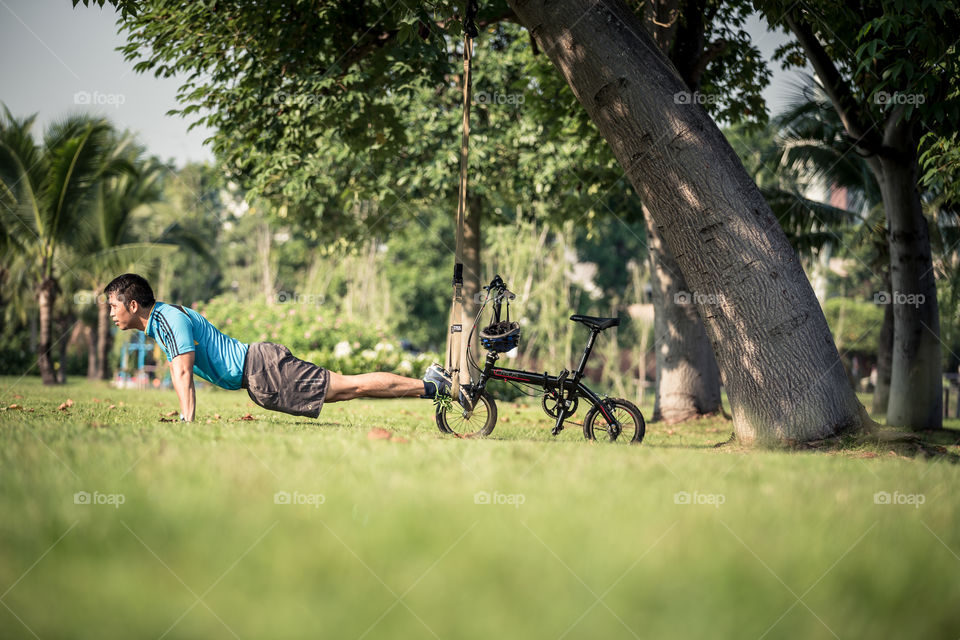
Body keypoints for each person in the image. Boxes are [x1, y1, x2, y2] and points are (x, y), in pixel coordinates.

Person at [105, 273, 455, 422]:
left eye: (113, 306)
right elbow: (175, 366)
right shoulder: (162, 321)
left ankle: (432, 387)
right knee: (349, 390)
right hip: (260, 375)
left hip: (262, 369)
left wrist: (187, 419)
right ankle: (430, 387)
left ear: (133, 304)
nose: (111, 314)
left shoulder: (167, 319)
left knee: (351, 386)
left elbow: (182, 370)